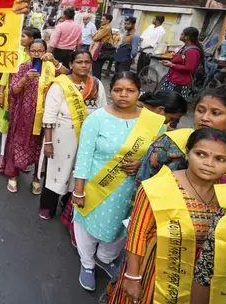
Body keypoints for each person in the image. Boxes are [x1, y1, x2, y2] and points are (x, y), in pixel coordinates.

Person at [102, 128, 226, 304]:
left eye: (220, 159)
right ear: (187, 154)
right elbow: (137, 233)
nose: (209, 163)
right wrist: (132, 277)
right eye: (201, 154)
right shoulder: (158, 187)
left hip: (200, 277)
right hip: (156, 269)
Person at [72, 72, 165, 292]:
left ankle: (105, 258)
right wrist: (79, 190)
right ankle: (86, 263)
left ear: (139, 92)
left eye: (130, 90)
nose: (123, 95)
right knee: (88, 226)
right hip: (97, 184)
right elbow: (84, 155)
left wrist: (142, 163)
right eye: (118, 90)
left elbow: (160, 154)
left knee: (122, 227)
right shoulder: (96, 119)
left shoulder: (153, 122)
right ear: (111, 90)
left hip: (131, 189)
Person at [137, 86, 226, 185]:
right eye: (200, 111)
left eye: (215, 113)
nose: (204, 118)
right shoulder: (169, 143)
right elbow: (143, 182)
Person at [37, 50, 107, 219]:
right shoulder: (60, 84)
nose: (84, 65)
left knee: (79, 171)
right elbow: (49, 115)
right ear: (70, 65)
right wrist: (48, 142)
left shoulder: (96, 84)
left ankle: (67, 206)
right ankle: (48, 207)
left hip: (88, 137)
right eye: (79, 62)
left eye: (87, 62)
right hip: (61, 135)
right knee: (56, 172)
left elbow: (103, 110)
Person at [0, 39, 60, 194]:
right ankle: (14, 175)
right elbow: (13, 92)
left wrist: (54, 61)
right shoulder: (23, 67)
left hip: (44, 115)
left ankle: (36, 177)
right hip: (23, 114)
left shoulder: (50, 68)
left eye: (40, 50)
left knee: (39, 146)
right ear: (28, 52)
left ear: (46, 51)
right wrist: (25, 78)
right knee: (17, 143)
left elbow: (68, 75)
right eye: (33, 50)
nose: (36, 53)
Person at [159, 26, 203, 101]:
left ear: (187, 37)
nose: (180, 34)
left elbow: (190, 68)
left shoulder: (192, 51)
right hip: (173, 79)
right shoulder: (186, 47)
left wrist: (172, 65)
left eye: (182, 34)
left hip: (180, 82)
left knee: (173, 103)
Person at [91, 14, 115, 80]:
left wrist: (95, 34)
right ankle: (97, 84)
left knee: (96, 68)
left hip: (100, 50)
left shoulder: (106, 28)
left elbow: (95, 37)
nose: (102, 20)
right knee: (97, 68)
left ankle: (96, 84)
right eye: (102, 19)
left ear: (108, 20)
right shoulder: (104, 27)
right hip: (101, 50)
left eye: (104, 19)